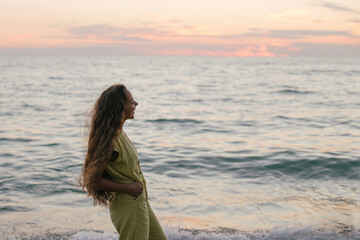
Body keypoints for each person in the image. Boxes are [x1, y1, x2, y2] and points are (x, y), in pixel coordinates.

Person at [79, 84, 167, 240]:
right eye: (132, 102)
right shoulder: (110, 140)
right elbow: (93, 181)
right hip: (129, 204)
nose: (136, 104)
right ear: (120, 107)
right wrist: (129, 188)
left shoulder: (119, 133)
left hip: (139, 201)